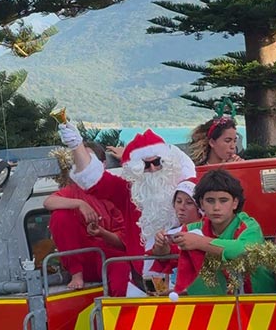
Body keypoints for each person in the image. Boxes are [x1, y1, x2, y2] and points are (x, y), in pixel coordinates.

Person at [58, 122, 195, 295]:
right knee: (156, 310)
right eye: (146, 165)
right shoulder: (129, 193)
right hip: (149, 276)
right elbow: (95, 179)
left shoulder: (186, 190)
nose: (152, 169)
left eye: (157, 162)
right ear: (136, 169)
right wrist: (77, 145)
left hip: (190, 274)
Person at [170, 169, 276, 296]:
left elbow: (244, 249)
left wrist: (200, 243)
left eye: (223, 200)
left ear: (235, 203)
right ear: (201, 203)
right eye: (210, 200)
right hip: (211, 307)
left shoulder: (248, 226)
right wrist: (162, 248)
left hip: (261, 304)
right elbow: (172, 257)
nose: (216, 207)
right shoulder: (190, 229)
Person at [43, 142, 128, 295]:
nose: (84, 166)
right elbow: (49, 202)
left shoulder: (115, 192)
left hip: (108, 257)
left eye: (89, 161)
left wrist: (101, 233)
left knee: (122, 264)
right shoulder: (74, 190)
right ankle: (76, 274)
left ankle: (118, 308)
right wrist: (79, 204)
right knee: (60, 214)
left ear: (102, 165)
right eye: (80, 162)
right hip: (82, 258)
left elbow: (123, 242)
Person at [149, 179, 201, 290]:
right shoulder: (169, 233)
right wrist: (160, 245)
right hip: (174, 295)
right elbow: (162, 262)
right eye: (178, 201)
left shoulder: (206, 230)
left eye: (189, 203)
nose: (182, 207)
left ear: (199, 207)